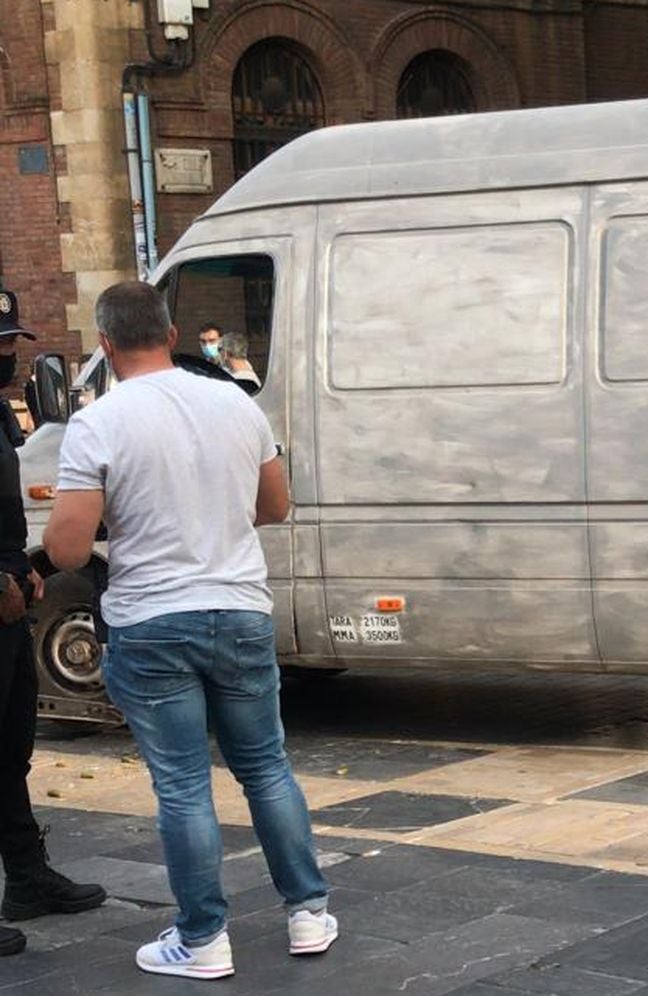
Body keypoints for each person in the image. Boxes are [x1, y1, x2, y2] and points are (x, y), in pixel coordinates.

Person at [43, 282, 335, 980]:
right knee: (266, 767)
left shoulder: (99, 422)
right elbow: (276, 505)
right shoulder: (236, 402)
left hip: (151, 619)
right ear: (172, 335)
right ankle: (308, 913)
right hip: (237, 607)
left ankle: (203, 939)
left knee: (182, 787)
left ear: (107, 346)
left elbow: (67, 552)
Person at [0, 289, 106, 958]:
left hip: (9, 598)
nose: (10, 353)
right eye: (0, 344)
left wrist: (22, 568)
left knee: (11, 751)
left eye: (12, 341)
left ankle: (28, 878)